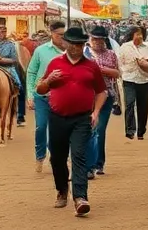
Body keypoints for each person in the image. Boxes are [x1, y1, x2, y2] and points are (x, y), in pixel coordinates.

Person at [37, 26, 108, 217]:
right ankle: (62, 189)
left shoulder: (91, 66)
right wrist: (48, 80)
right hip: (57, 117)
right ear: (66, 43)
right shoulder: (54, 63)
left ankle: (80, 198)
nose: (76, 47)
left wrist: (96, 112)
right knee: (57, 158)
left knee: (79, 156)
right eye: (73, 43)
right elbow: (40, 89)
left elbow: (102, 91)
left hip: (82, 118)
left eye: (80, 44)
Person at [26, 21, 66, 172]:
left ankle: (56, 156)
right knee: (41, 127)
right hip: (41, 96)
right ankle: (39, 156)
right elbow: (31, 72)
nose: (62, 38)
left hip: (61, 98)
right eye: (59, 35)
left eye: (64, 35)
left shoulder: (69, 52)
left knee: (58, 130)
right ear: (52, 34)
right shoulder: (41, 51)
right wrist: (30, 94)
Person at [84, 26, 120, 178]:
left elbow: (117, 73)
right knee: (87, 131)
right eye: (94, 39)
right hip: (86, 97)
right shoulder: (83, 53)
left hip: (106, 96)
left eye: (100, 39)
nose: (97, 42)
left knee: (99, 130)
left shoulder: (111, 54)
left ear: (105, 40)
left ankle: (98, 163)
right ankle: (87, 163)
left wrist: (100, 69)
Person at [117, 25, 148, 140]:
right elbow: (119, 62)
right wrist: (124, 72)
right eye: (137, 34)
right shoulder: (125, 47)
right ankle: (130, 130)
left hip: (144, 80)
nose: (139, 36)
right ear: (132, 35)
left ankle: (141, 131)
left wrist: (146, 64)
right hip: (128, 79)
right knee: (129, 104)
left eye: (141, 34)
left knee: (143, 107)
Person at [0, 20, 24, 129]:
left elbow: (14, 60)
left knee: (19, 85)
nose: (0, 34)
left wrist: (1, 59)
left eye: (3, 32)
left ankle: (20, 113)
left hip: (7, 68)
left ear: (5, 33)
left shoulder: (10, 45)